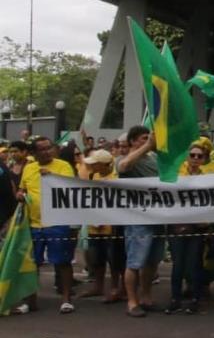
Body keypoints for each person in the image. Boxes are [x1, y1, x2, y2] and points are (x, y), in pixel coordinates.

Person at [17, 136, 77, 313]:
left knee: (62, 261)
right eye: (42, 149)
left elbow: (71, 187)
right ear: (34, 153)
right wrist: (20, 194)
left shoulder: (63, 166)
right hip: (34, 224)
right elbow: (22, 189)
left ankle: (66, 299)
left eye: (48, 148)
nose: (46, 151)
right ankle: (30, 300)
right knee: (32, 263)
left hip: (57, 222)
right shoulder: (28, 168)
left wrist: (52, 176)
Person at [116, 126, 164, 319]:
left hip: (159, 215)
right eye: (144, 138)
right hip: (138, 218)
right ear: (133, 141)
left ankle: (146, 297)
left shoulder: (154, 160)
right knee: (135, 261)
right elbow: (123, 167)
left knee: (153, 260)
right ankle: (131, 301)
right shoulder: (125, 158)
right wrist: (146, 147)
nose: (148, 141)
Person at [164, 143, 210, 315]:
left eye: (199, 156)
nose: (195, 159)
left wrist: (206, 222)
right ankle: (175, 299)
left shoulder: (208, 179)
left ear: (204, 159)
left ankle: (194, 299)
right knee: (178, 265)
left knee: (193, 265)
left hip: (196, 228)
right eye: (192, 155)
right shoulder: (176, 176)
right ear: (187, 157)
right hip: (176, 227)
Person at [77, 149, 126, 304]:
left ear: (104, 165)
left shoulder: (116, 179)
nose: (92, 166)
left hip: (111, 227)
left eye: (95, 164)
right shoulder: (92, 176)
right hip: (94, 224)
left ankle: (115, 288)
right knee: (97, 258)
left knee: (114, 260)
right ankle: (98, 286)